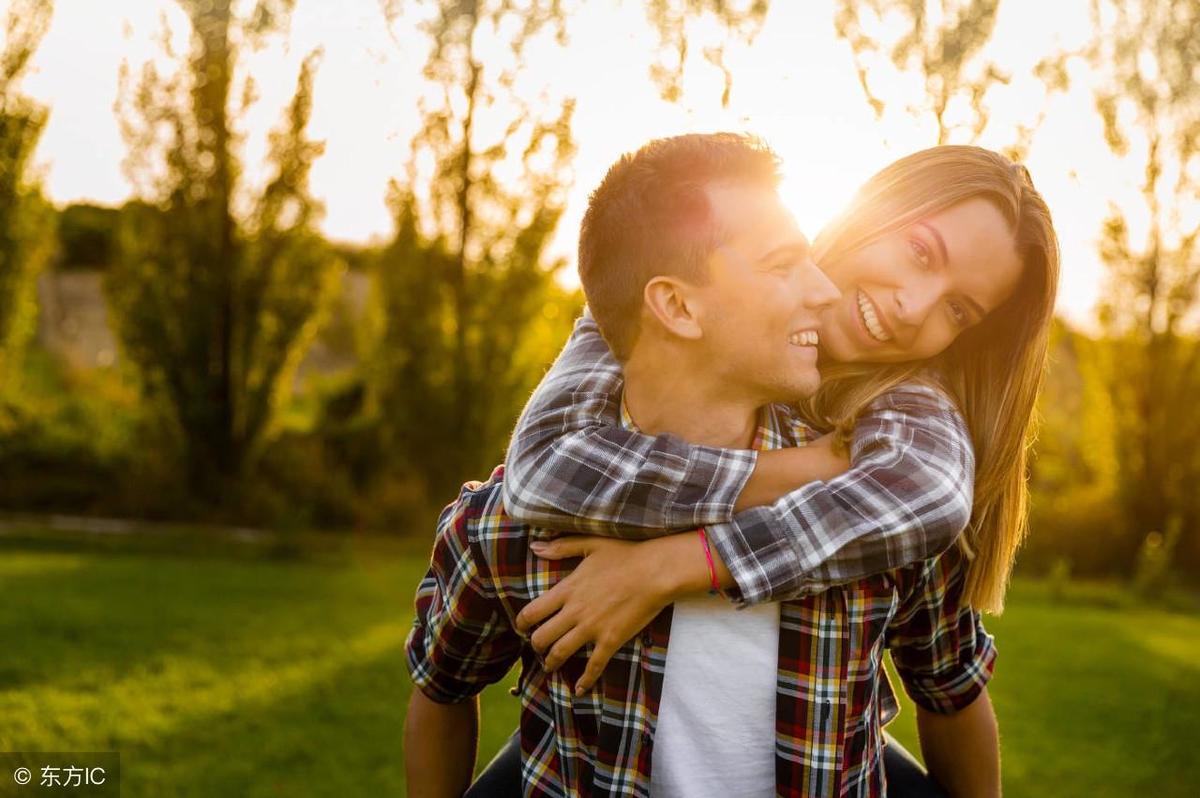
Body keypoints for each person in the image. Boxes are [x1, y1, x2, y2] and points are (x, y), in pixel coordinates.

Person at [406, 133, 1059, 796]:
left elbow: (933, 515)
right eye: (920, 251)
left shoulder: (898, 454)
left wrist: (673, 565)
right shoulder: (644, 314)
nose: (913, 307)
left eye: (958, 310)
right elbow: (544, 468)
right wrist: (800, 470)